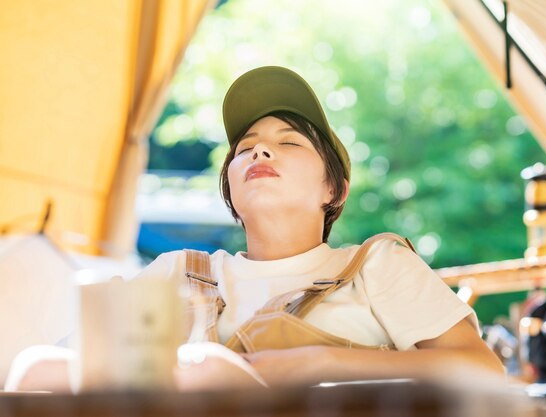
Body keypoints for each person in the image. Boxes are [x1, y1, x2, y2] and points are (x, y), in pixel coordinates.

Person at [6, 66, 504, 392]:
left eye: (289, 143)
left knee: (212, 371)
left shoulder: (375, 265)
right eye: (246, 147)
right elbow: (69, 377)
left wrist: (321, 363)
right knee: (32, 369)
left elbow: (484, 371)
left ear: (335, 189)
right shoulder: (177, 270)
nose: (260, 151)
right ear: (231, 191)